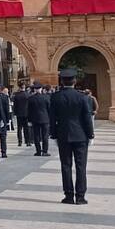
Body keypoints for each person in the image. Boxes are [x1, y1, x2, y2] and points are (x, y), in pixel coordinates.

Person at [49, 68, 94, 204]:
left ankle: (68, 195)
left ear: (62, 81)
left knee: (65, 166)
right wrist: (90, 134)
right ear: (75, 81)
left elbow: (52, 118)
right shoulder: (82, 97)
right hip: (80, 135)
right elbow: (87, 118)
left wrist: (54, 135)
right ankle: (80, 196)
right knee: (81, 167)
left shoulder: (55, 97)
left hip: (63, 135)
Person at [28, 82, 52, 156]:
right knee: (45, 136)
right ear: (41, 89)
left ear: (35, 89)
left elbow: (29, 111)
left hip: (35, 119)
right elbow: (49, 109)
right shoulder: (46, 97)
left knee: (36, 136)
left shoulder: (31, 98)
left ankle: (38, 151)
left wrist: (29, 120)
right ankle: (45, 151)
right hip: (45, 119)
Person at [12, 83, 32, 147]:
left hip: (19, 113)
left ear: (19, 87)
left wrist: (15, 113)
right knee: (26, 128)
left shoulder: (16, 95)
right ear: (24, 87)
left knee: (19, 128)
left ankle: (20, 142)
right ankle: (28, 141)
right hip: (27, 113)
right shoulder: (28, 95)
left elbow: (15, 106)